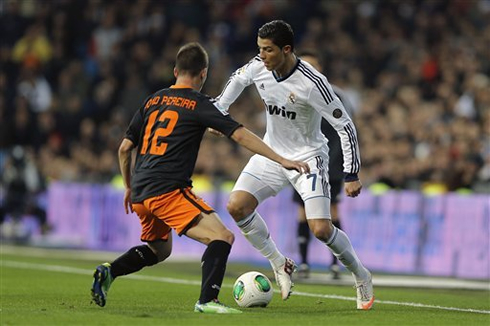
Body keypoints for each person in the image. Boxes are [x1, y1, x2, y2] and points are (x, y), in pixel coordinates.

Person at [90, 42, 309, 314]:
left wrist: (127, 186)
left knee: (160, 250)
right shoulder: (198, 103)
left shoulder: (153, 100)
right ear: (203, 74)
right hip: (167, 190)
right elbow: (240, 134)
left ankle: (109, 272)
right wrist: (282, 159)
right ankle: (208, 301)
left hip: (140, 193)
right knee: (222, 236)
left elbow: (124, 148)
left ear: (175, 70)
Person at [215, 20, 374, 310]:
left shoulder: (313, 84)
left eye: (268, 50)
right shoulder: (259, 66)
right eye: (260, 49)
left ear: (286, 50)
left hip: (308, 159)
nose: (261, 56)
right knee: (236, 205)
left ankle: (361, 275)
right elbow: (238, 79)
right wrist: (220, 109)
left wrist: (351, 173)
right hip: (271, 154)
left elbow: (345, 126)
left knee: (322, 230)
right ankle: (280, 263)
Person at [292, 50, 355, 280]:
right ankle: (304, 262)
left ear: (320, 69)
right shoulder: (292, 94)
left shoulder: (336, 94)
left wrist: (344, 166)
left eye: (312, 66)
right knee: (303, 212)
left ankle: (336, 263)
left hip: (333, 163)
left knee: (331, 211)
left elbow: (347, 129)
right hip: (302, 162)